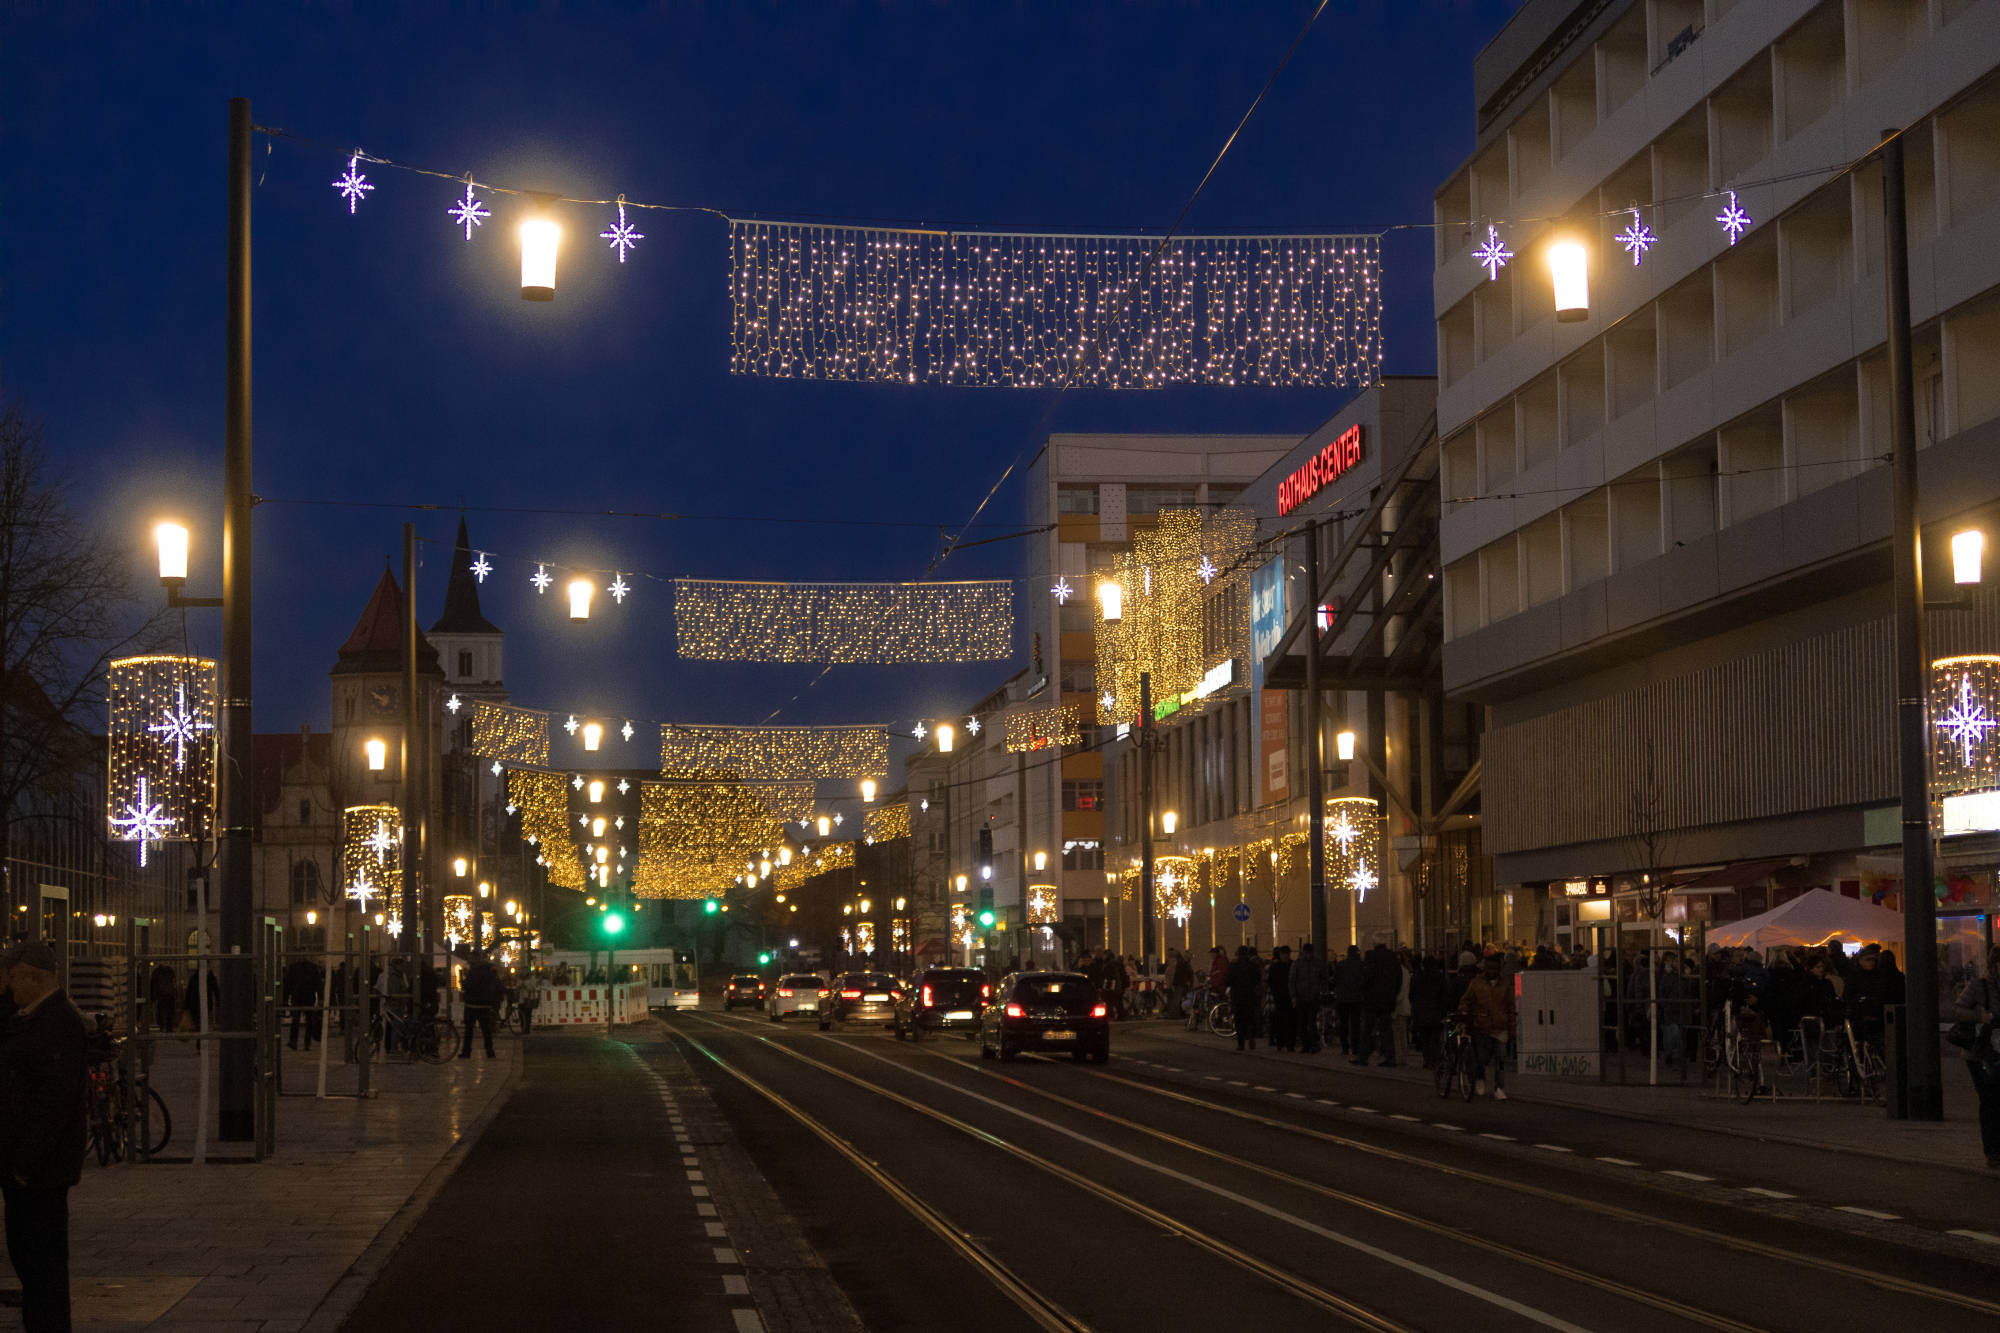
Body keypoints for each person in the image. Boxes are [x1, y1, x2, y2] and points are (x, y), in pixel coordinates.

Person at [0, 942, 88, 1331]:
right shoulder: (33, 1016)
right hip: (31, 1166)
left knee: (42, 1263)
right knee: (30, 1258)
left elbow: (55, 1101)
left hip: (39, 1170)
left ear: (34, 977)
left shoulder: (55, 1022)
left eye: (15, 978)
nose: (9, 986)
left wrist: (24, 1164)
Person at [1950, 946, 2000, 1169]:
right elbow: (1958, 1010)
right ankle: (1993, 1152)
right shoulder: (1980, 986)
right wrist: (1982, 1016)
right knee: (1990, 1100)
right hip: (1981, 1054)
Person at [1458, 953, 1515, 1099]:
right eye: (1490, 967)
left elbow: (1511, 1007)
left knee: (1500, 1059)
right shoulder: (1477, 983)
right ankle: (1480, 1078)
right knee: (1482, 1058)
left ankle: (1499, 1087)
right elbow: (1466, 999)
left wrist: (1512, 1028)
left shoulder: (1505, 984)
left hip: (1500, 1026)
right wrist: (1464, 1010)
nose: (1492, 971)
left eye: (1495, 968)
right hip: (1482, 1026)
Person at [1355, 943, 1400, 1067]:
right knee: (1386, 1030)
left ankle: (1363, 1057)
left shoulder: (1371, 958)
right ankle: (1390, 1058)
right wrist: (1393, 995)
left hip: (1371, 1001)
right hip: (1387, 1001)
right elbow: (1398, 980)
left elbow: (1366, 978)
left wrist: (1363, 991)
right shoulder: (1393, 959)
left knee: (1366, 1030)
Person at [460, 952, 505, 1058]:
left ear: (475, 959)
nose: (468, 961)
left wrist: (464, 982)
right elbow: (498, 986)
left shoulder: (473, 972)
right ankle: (490, 1051)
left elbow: (469, 986)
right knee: (486, 1030)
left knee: (469, 1031)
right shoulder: (489, 972)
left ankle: (466, 1052)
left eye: (470, 959)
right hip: (485, 1005)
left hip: (472, 1004)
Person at [1408, 955, 1450, 1068]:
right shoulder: (1440, 977)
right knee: (1435, 1038)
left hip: (1422, 1012)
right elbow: (1445, 995)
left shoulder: (1418, 977)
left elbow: (1412, 995)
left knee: (1425, 1038)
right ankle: (1434, 1059)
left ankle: (1427, 1060)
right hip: (1436, 1012)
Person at [1226, 946, 1263, 1052]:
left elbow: (1228, 980)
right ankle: (1251, 1034)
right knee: (1250, 1017)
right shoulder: (1253, 965)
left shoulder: (1234, 966)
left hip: (1237, 996)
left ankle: (1241, 1043)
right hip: (1250, 995)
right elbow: (1258, 978)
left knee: (1239, 1020)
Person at [282, 954, 323, 1051]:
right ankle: (303, 1042)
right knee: (307, 1021)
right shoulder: (312, 967)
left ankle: (296, 1042)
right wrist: (320, 998)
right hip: (306, 997)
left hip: (299, 997)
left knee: (299, 1021)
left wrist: (285, 997)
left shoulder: (294, 968)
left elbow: (288, 983)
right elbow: (318, 984)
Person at [1332, 945, 1366, 1057]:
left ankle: (1345, 1047)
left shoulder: (1341, 965)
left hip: (1343, 999)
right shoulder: (1361, 965)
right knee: (1355, 1025)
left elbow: (1335, 980)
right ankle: (1355, 1048)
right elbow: (1364, 981)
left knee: (1343, 1024)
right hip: (1357, 999)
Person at [1290, 942, 1323, 1054]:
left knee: (1311, 1022)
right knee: (1303, 1023)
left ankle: (1313, 1044)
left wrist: (1320, 991)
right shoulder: (1298, 963)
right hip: (1301, 997)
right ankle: (1306, 1045)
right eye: (1307, 953)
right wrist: (1294, 996)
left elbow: (1323, 978)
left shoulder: (1317, 963)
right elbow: (1292, 980)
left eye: (1310, 953)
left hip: (1313, 997)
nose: (1308, 955)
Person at [1266, 946, 1295, 1052]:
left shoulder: (1292, 965)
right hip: (1280, 997)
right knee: (1280, 1021)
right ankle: (1281, 1043)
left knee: (1290, 1021)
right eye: (1284, 954)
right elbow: (1271, 982)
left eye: (1287, 953)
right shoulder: (1276, 967)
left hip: (1290, 997)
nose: (1285, 956)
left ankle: (1289, 1044)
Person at [516, 970, 540, 1034]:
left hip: (528, 998)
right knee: (521, 1014)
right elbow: (517, 986)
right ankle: (523, 1028)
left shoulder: (532, 978)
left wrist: (525, 985)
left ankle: (527, 1029)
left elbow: (533, 988)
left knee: (527, 1015)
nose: (524, 972)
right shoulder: (520, 978)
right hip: (521, 999)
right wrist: (519, 986)